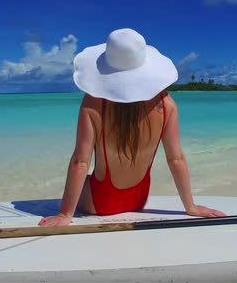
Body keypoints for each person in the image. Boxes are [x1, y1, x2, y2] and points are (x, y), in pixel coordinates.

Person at [39, 28, 225, 227]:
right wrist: (191, 207)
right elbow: (176, 159)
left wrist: (65, 214)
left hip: (100, 202)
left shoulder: (94, 103)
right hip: (139, 199)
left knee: (85, 177)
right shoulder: (167, 105)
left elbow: (80, 161)